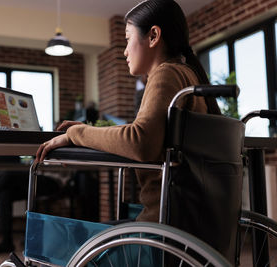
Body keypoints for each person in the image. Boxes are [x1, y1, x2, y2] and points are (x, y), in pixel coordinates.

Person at [35, 0, 220, 223]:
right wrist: (86, 131)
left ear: (153, 36)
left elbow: (140, 141)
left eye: (127, 39)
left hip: (164, 225)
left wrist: (77, 134)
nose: (124, 51)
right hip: (187, 218)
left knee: (68, 240)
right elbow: (148, 133)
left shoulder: (167, 74)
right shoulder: (186, 74)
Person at [0, 157, 60, 253]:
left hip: (51, 180)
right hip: (32, 177)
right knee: (5, 192)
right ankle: (6, 242)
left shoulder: (58, 145)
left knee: (8, 175)